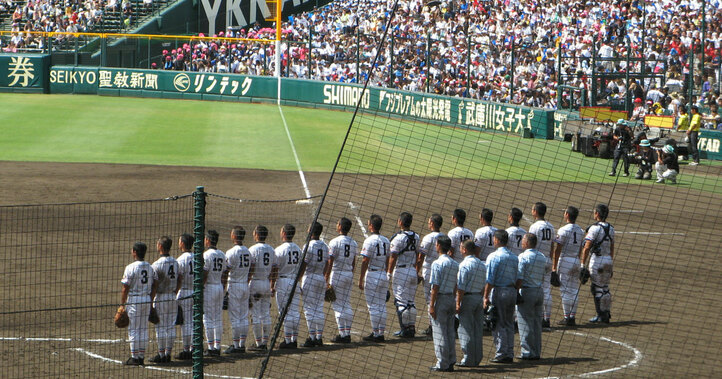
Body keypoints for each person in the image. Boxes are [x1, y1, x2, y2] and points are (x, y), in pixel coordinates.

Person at [484, 230, 519, 363]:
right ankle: (509, 352)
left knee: (498, 323)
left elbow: (490, 280)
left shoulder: (494, 257)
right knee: (509, 322)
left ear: (497, 240)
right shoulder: (514, 257)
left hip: (500, 292)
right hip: (512, 291)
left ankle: (501, 353)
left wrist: (485, 297)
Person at [120, 242, 157, 366]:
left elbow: (125, 287)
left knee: (134, 329)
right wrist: (150, 299)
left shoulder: (130, 267)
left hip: (135, 300)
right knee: (143, 328)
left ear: (134, 252)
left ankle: (134, 357)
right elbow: (155, 284)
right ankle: (141, 356)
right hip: (146, 299)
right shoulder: (150, 267)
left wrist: (122, 304)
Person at [428, 235, 459, 372]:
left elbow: (435, 287)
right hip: (451, 298)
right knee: (450, 331)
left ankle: (442, 363)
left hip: (440, 299)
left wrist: (431, 305)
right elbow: (455, 285)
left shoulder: (437, 263)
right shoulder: (454, 263)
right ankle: (451, 360)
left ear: (439, 246)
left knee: (439, 332)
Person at [580, 204, 615, 324]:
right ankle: (607, 312)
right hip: (608, 260)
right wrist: (611, 264)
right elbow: (612, 247)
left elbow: (586, 247)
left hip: (597, 261)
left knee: (596, 288)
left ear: (598, 214)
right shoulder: (611, 228)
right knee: (605, 287)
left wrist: (582, 264)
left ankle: (601, 315)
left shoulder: (594, 229)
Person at [388, 212, 421, 338]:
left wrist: (389, 273)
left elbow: (393, 257)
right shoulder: (416, 236)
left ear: (400, 222)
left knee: (401, 302)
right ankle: (411, 328)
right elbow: (418, 255)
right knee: (411, 301)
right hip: (412, 270)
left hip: (401, 271)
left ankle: (404, 329)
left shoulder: (398, 238)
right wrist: (417, 271)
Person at [358, 214, 390, 342]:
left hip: (372, 274)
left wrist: (360, 279)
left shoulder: (369, 241)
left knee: (373, 306)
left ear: (371, 226)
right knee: (381, 304)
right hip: (383, 273)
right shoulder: (386, 240)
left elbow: (365, 260)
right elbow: (388, 259)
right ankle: (380, 332)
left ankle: (376, 333)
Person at [149, 236, 180, 363]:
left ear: (161, 246)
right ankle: (168, 353)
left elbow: (153, 285)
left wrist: (151, 302)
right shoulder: (175, 262)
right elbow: (180, 280)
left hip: (161, 297)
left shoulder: (156, 264)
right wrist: (175, 292)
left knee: (160, 326)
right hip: (172, 296)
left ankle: (161, 355)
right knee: (170, 326)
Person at [515, 234, 546, 360]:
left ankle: (527, 352)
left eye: (523, 240)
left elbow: (520, 277)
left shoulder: (523, 257)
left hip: (527, 292)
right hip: (539, 291)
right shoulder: (542, 256)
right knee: (537, 324)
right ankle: (536, 352)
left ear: (527, 243)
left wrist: (516, 291)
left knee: (525, 323)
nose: (521, 242)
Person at [551, 206, 584, 326]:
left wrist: (554, 268)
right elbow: (581, 247)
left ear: (567, 215)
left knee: (565, 290)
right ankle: (572, 317)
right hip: (576, 260)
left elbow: (557, 250)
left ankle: (567, 317)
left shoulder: (563, 230)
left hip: (565, 261)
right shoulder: (580, 230)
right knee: (574, 289)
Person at [455, 240, 486, 367]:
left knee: (466, 329)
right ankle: (477, 358)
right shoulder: (482, 264)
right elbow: (484, 283)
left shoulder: (464, 265)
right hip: (479, 297)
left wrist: (458, 303)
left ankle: (468, 359)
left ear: (465, 250)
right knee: (478, 329)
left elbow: (461, 287)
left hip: (468, 299)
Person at [300, 222, 330, 347]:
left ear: (310, 231)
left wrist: (299, 279)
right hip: (320, 278)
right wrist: (323, 276)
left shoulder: (308, 246)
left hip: (310, 277)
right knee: (319, 308)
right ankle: (319, 337)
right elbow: (328, 263)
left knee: (309, 309)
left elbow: (304, 264)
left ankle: (312, 337)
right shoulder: (324, 246)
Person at [327, 217, 358, 343]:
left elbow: (330, 261)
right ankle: (347, 333)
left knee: (338, 305)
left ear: (340, 226)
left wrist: (326, 278)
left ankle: (342, 334)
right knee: (346, 303)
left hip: (337, 273)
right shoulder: (354, 242)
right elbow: (354, 262)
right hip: (348, 274)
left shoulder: (334, 242)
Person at [224, 226, 253, 354]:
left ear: (234, 236)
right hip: (244, 285)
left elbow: (226, 271)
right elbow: (252, 267)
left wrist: (224, 288)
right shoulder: (248, 251)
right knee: (243, 316)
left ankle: (236, 346)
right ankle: (242, 344)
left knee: (235, 317)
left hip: (234, 285)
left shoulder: (231, 252)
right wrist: (247, 279)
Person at [272, 224, 302, 349]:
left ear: (284, 233)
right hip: (295, 281)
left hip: (283, 281)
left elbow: (275, 269)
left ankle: (288, 340)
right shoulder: (298, 249)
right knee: (294, 311)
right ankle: (294, 339)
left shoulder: (279, 250)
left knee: (284, 311)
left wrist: (272, 284)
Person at [248, 225, 276, 351]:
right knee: (266, 314)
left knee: (256, 314)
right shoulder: (271, 249)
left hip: (256, 283)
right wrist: (272, 284)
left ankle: (259, 343)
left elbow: (251, 267)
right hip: (266, 283)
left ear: (257, 235)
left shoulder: (252, 249)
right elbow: (275, 268)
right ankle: (265, 342)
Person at [527, 202, 555, 328]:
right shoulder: (551, 226)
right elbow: (552, 246)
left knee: (534, 288)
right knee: (547, 289)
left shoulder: (534, 227)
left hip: (537, 260)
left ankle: (536, 316)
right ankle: (546, 319)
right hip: (548, 259)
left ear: (535, 212)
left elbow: (530, 243)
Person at [418, 213, 444, 336]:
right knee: (440, 295)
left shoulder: (428, 238)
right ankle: (439, 323)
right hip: (442, 268)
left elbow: (421, 257)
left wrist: (417, 271)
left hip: (429, 270)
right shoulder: (444, 236)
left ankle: (432, 326)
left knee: (430, 298)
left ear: (432, 224)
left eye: (429, 222)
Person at [202, 230, 226, 356]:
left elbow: (204, 274)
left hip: (209, 288)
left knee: (208, 317)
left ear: (208, 240)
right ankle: (217, 346)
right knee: (217, 317)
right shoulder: (222, 254)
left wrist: (200, 287)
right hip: (219, 287)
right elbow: (225, 273)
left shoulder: (206, 255)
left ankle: (211, 347)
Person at [174, 233, 194, 360]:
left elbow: (178, 279)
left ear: (182, 243)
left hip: (184, 293)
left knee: (185, 322)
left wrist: (175, 293)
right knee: (193, 321)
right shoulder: (198, 257)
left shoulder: (180, 260)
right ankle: (194, 347)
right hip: (195, 291)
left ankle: (187, 350)